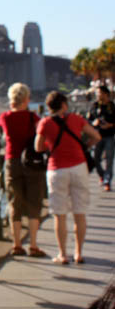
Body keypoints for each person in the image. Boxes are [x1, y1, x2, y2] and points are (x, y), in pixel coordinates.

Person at [35, 91, 100, 265]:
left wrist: (51, 144)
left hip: (57, 169)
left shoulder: (45, 122)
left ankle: (62, 254)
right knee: (80, 212)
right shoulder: (76, 119)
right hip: (79, 167)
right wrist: (85, 146)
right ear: (64, 104)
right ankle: (78, 253)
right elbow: (96, 136)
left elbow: (38, 147)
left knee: (60, 214)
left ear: (49, 107)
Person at [0, 82, 46, 257]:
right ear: (27, 99)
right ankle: (33, 244)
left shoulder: (4, 117)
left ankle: (16, 244)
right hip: (31, 162)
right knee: (34, 202)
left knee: (14, 202)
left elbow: (5, 132)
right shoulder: (34, 118)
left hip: (12, 161)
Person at [88, 85, 115, 191]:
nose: (97, 95)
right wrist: (94, 123)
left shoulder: (112, 106)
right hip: (97, 136)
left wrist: (111, 125)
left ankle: (107, 181)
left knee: (109, 159)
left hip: (109, 136)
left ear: (105, 94)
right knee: (96, 159)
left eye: (99, 93)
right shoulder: (94, 106)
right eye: (97, 93)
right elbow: (88, 121)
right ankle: (102, 175)